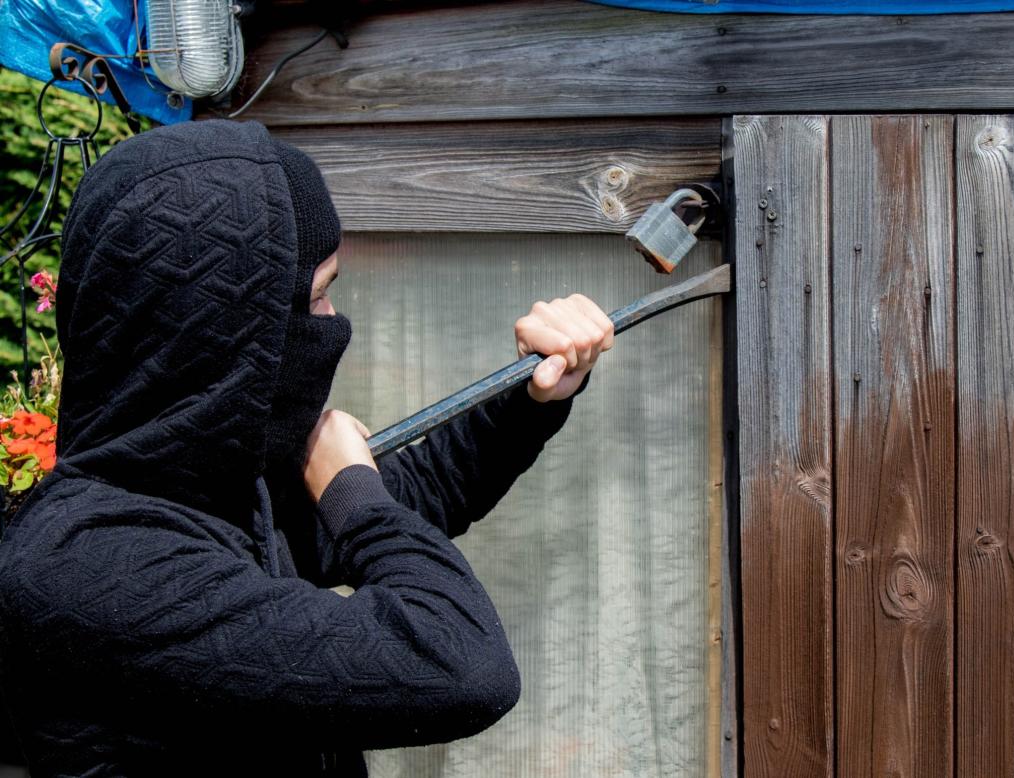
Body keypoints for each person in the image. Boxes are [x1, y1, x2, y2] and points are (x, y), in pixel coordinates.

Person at [0, 118, 612, 777]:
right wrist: (352, 486)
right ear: (219, 329)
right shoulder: (90, 568)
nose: (330, 326)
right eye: (318, 297)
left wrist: (528, 396)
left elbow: (417, 496)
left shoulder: (208, 486)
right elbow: (459, 664)